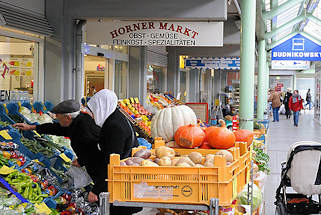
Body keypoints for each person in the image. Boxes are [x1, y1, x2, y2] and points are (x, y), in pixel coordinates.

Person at [13, 100, 104, 202]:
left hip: (102, 172)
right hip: (95, 168)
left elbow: (95, 152)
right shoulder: (76, 121)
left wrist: (96, 190)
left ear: (68, 117)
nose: (56, 118)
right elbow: (56, 128)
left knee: (105, 200)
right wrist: (32, 127)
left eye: (58, 117)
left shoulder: (83, 129)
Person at [85, 89, 141, 214]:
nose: (92, 116)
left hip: (121, 185)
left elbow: (110, 161)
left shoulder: (114, 127)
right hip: (123, 182)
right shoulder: (115, 117)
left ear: (101, 107)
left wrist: (96, 190)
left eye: (93, 112)